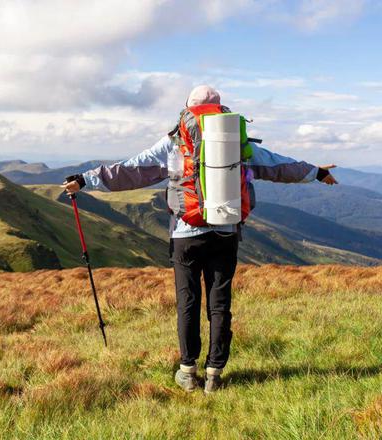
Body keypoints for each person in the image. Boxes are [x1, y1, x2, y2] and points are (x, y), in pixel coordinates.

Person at [61, 85, 337, 394]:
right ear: (220, 109)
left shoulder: (175, 143)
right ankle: (214, 373)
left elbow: (129, 171)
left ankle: (187, 371)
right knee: (219, 304)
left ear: (188, 109)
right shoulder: (235, 142)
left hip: (186, 234)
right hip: (225, 232)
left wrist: (85, 179)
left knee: (188, 302)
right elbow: (276, 165)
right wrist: (316, 172)